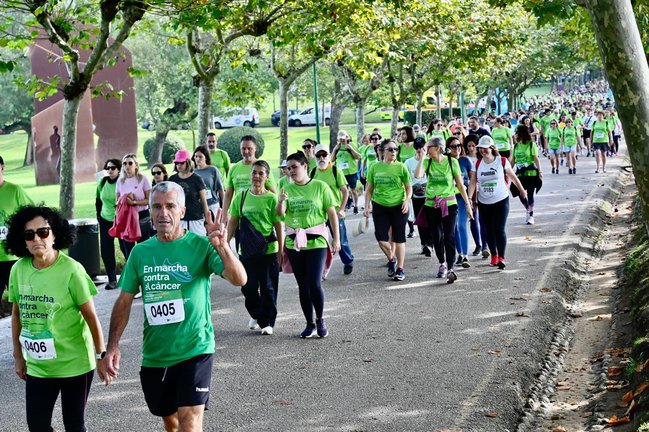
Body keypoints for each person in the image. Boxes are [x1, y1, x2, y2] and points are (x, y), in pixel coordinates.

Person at [105, 181, 246, 431]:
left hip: (195, 349)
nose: (163, 213)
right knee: (171, 424)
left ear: (182, 211)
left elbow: (239, 279)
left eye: (170, 206)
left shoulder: (202, 246)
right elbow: (124, 300)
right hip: (156, 354)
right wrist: (112, 346)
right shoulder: (140, 253)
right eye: (157, 207)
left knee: (189, 423)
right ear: (149, 211)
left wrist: (222, 246)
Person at [6, 206, 108, 432]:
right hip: (39, 366)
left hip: (74, 365)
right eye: (29, 234)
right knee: (37, 425)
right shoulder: (18, 270)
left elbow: (90, 317)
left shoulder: (72, 270)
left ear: (54, 234)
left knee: (74, 425)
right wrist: (18, 356)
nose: (36, 239)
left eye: (42, 232)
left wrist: (101, 355)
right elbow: (17, 314)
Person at [276, 152, 340, 338]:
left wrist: (336, 238)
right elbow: (280, 214)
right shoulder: (285, 187)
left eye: (295, 167)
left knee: (314, 282)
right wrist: (280, 201)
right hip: (294, 243)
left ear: (305, 166)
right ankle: (309, 323)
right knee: (302, 285)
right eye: (289, 168)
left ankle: (320, 319)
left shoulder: (320, 186)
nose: (291, 171)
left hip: (317, 241)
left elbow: (331, 213)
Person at [227, 160, 283, 335]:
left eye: (261, 173)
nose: (257, 176)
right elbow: (232, 222)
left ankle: (268, 322)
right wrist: (225, 244)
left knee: (268, 287)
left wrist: (281, 249)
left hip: (269, 249)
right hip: (247, 250)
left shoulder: (271, 198)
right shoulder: (241, 197)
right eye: (254, 172)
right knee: (248, 286)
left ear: (266, 177)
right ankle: (257, 314)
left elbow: (279, 225)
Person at [414, 137, 473, 284]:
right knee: (436, 236)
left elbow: (459, 184)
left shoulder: (452, 162)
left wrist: (467, 204)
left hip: (449, 203)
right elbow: (418, 175)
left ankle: (451, 267)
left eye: (429, 147)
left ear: (438, 148)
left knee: (449, 236)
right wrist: (422, 158)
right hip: (431, 205)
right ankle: (442, 263)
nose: (426, 150)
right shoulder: (427, 162)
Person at [468, 136, 528, 269]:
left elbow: (513, 176)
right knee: (489, 229)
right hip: (483, 201)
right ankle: (494, 255)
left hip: (501, 199)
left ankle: (501, 257)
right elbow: (473, 182)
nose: (483, 151)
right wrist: (469, 200)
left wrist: (522, 191)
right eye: (481, 149)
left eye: (485, 148)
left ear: (492, 148)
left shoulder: (502, 161)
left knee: (499, 229)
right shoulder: (477, 164)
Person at [364, 139, 412, 282]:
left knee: (399, 238)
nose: (393, 152)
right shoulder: (374, 167)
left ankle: (400, 269)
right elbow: (369, 189)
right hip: (380, 205)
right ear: (382, 151)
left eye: (395, 149)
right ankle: (392, 259)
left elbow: (409, 187)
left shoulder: (401, 167)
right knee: (381, 239)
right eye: (390, 149)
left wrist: (406, 200)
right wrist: (367, 206)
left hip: (399, 206)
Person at [311, 144, 355, 275]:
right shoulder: (313, 172)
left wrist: (341, 209)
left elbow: (345, 191)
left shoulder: (336, 171)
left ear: (329, 157)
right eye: (318, 156)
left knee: (340, 238)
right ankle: (321, 267)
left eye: (324, 155)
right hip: (319, 213)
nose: (321, 158)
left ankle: (348, 260)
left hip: (335, 211)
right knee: (318, 241)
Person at [0, 155, 34, 317]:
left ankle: (25, 337)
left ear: (2, 167)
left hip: (13, 257)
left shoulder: (15, 191)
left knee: (22, 301)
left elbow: (33, 215)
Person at [222, 136, 277, 223]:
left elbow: (273, 193)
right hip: (240, 213)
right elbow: (228, 194)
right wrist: (224, 214)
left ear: (255, 149)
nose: (246, 151)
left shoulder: (263, 168)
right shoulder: (234, 168)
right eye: (243, 148)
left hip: (259, 215)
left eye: (249, 148)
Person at [115, 153, 153, 259]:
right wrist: (125, 200)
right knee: (129, 251)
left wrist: (134, 202)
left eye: (130, 163)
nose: (127, 166)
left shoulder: (143, 179)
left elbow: (149, 200)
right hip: (126, 218)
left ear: (136, 165)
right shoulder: (120, 181)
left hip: (142, 216)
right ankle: (132, 272)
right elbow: (117, 201)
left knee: (143, 248)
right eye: (124, 163)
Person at [96, 158, 125, 290]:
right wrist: (99, 217)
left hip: (121, 219)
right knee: (106, 250)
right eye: (108, 168)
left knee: (125, 248)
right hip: (105, 219)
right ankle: (112, 280)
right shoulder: (102, 182)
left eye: (113, 168)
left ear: (119, 169)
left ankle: (130, 277)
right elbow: (98, 200)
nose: (110, 170)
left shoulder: (122, 182)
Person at [169, 149, 210, 236]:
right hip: (178, 218)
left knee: (198, 243)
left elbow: (203, 201)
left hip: (195, 218)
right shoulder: (172, 179)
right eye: (177, 163)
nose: (179, 165)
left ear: (188, 162)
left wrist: (208, 220)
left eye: (181, 163)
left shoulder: (197, 179)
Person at [448, 137, 475, 269]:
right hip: (449, 198)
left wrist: (470, 199)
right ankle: (459, 254)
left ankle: (465, 255)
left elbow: (472, 181)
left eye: (459, 145)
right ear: (448, 148)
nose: (457, 148)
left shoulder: (465, 160)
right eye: (453, 146)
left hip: (462, 197)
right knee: (454, 228)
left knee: (462, 226)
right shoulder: (445, 161)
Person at [403, 137, 433, 256]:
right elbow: (406, 179)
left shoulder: (429, 160)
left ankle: (430, 244)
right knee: (420, 221)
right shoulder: (409, 162)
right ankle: (424, 244)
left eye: (422, 148)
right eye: (418, 148)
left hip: (429, 195)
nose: (420, 150)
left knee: (430, 220)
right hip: (416, 196)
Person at [512, 125, 543, 225]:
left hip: (531, 173)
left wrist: (540, 171)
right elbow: (512, 160)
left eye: (516, 133)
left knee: (530, 194)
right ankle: (528, 208)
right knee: (520, 193)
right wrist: (507, 172)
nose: (515, 135)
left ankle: (531, 215)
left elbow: (535, 158)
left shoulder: (531, 144)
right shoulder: (516, 146)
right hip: (520, 174)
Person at [331, 130, 361, 214]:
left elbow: (358, 157)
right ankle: (343, 208)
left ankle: (355, 206)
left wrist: (351, 149)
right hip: (340, 173)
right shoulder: (337, 147)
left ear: (347, 137)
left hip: (351, 172)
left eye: (344, 138)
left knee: (353, 190)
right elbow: (331, 160)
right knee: (342, 191)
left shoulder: (351, 145)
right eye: (340, 139)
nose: (342, 140)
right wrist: (334, 150)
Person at [193, 146, 225, 218]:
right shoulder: (193, 172)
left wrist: (225, 208)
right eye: (196, 156)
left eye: (200, 157)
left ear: (206, 157)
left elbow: (220, 190)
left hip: (212, 205)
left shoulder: (213, 170)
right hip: (198, 207)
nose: (197, 159)